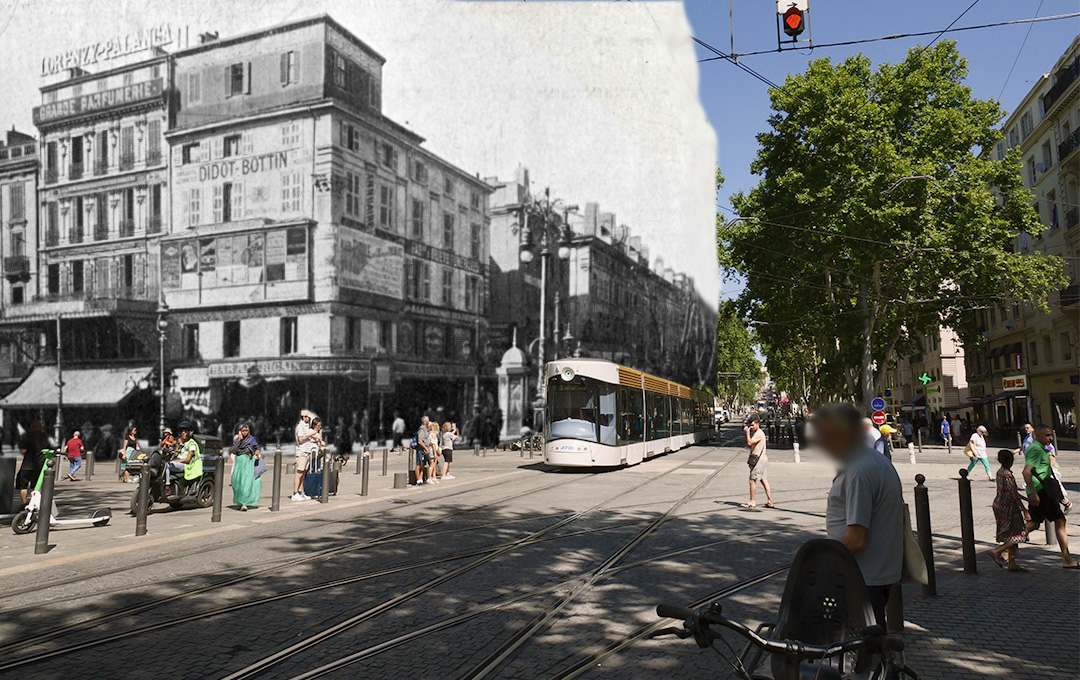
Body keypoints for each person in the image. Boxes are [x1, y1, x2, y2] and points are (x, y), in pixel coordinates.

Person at [814, 403, 904, 628]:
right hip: (873, 574)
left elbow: (857, 539)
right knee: (869, 642)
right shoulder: (870, 461)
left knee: (861, 646)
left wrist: (820, 562)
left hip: (863, 577)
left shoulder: (860, 471)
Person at [1023, 425, 1078, 569]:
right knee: (1034, 524)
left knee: (1060, 520)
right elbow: (1026, 472)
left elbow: (1050, 459)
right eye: (1047, 435)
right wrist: (1033, 493)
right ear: (1037, 435)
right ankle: (1004, 547)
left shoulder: (1043, 448)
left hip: (1047, 489)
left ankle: (1067, 558)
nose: (1050, 438)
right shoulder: (1035, 449)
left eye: (1050, 435)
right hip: (1041, 490)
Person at [989, 449, 1029, 572]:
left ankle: (1012, 562)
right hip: (1009, 507)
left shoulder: (999, 472)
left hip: (999, 504)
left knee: (1010, 533)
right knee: (1017, 534)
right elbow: (1013, 494)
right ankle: (998, 551)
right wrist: (1025, 510)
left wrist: (1025, 498)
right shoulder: (1008, 475)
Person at [741, 415, 773, 509]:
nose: (752, 427)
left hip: (758, 460)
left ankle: (752, 501)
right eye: (750, 425)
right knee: (764, 480)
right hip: (762, 459)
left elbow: (750, 442)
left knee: (752, 480)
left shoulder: (759, 433)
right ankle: (770, 501)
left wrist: (747, 432)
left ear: (758, 424)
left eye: (753, 425)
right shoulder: (758, 432)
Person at [16, 421, 51, 505]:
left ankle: (24, 503)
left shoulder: (28, 436)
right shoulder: (46, 437)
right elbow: (50, 449)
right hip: (40, 464)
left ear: (32, 428)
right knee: (36, 485)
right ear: (41, 428)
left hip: (27, 464)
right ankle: (34, 502)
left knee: (23, 485)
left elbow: (23, 450)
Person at [231, 423, 262, 511]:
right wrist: (239, 441)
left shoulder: (252, 439)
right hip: (240, 463)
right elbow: (234, 450)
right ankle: (239, 501)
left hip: (249, 462)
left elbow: (256, 448)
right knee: (238, 482)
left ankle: (244, 503)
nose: (245, 432)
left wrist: (257, 452)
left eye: (246, 431)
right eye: (243, 431)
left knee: (247, 482)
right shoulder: (237, 439)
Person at [169, 422, 203, 493]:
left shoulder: (192, 444)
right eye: (182, 431)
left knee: (168, 466)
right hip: (179, 462)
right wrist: (177, 444)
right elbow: (175, 455)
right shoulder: (182, 443)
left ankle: (167, 486)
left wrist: (175, 461)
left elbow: (187, 460)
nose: (183, 433)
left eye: (185, 431)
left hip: (188, 465)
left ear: (189, 433)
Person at [293, 410, 318, 501]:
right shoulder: (300, 427)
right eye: (308, 417)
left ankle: (300, 491)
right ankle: (295, 493)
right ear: (304, 417)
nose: (309, 419)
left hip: (307, 451)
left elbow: (307, 439)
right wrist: (310, 435)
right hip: (302, 451)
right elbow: (301, 439)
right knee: (299, 472)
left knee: (303, 473)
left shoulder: (306, 427)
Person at [413, 416, 431, 485]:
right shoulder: (422, 430)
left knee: (423, 464)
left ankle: (421, 478)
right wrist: (426, 449)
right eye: (428, 421)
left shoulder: (425, 429)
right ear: (426, 422)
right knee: (419, 464)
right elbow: (420, 441)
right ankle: (418, 480)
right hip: (421, 450)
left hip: (425, 449)